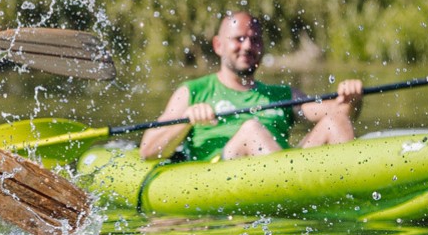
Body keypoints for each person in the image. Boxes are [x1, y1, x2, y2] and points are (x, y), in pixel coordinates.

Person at [140, 9, 363, 162]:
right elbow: (148, 150)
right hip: (223, 175)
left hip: (286, 167)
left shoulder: (283, 94)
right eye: (238, 39)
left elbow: (340, 114)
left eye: (255, 40)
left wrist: (350, 98)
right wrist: (187, 120)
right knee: (251, 130)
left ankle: (358, 194)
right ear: (218, 45)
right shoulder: (192, 92)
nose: (247, 46)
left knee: (336, 121)